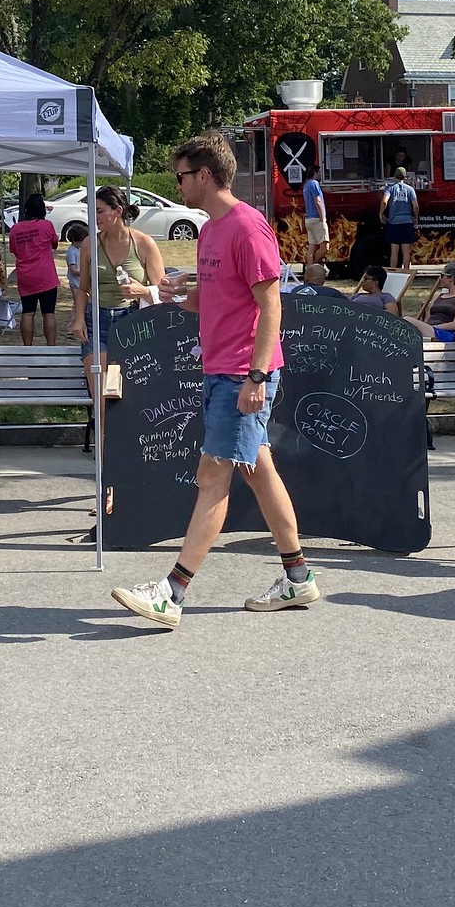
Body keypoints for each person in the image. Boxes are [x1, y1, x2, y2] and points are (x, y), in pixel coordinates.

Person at [111, 135, 319, 628]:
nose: (177, 185)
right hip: (221, 370)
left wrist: (257, 377)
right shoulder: (209, 232)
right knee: (259, 472)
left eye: (181, 176)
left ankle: (172, 593)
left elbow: (272, 305)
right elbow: (210, 301)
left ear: (204, 175)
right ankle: (298, 577)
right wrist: (172, 293)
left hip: (240, 374)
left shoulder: (248, 228)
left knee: (212, 478)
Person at [74, 186, 165, 446]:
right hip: (98, 320)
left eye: (100, 211)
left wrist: (142, 290)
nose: (96, 217)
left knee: (128, 396)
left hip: (132, 321)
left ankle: (128, 454)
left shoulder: (144, 243)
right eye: (93, 211)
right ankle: (105, 462)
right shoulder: (91, 244)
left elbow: (164, 291)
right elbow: (82, 289)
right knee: (101, 397)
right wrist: (79, 317)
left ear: (118, 211)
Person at [9, 194, 62, 346]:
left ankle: (27, 348)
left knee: (28, 312)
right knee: (48, 313)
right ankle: (51, 347)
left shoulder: (15, 229)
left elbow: (14, 250)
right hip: (46, 276)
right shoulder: (46, 225)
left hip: (26, 275)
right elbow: (55, 244)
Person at [380, 165, 419, 270]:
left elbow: (384, 201)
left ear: (394, 176)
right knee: (406, 251)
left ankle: (393, 272)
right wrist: (415, 217)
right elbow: (415, 205)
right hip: (407, 221)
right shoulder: (410, 189)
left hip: (394, 223)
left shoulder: (390, 188)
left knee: (394, 250)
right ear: (405, 177)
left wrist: (381, 213)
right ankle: (406, 272)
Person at [300, 170, 330, 283]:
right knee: (324, 246)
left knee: (312, 247)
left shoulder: (306, 185)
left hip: (308, 219)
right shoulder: (314, 183)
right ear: (315, 172)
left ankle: (308, 273)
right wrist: (322, 217)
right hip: (317, 219)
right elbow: (318, 200)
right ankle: (313, 268)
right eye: (320, 172)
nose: (321, 175)